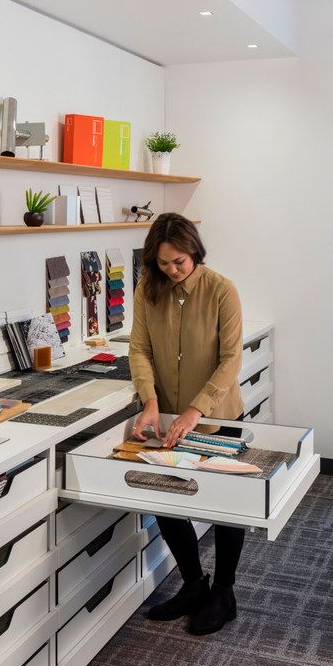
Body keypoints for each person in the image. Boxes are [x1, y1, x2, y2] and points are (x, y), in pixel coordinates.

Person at [129, 213, 244, 635]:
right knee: (167, 500)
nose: (173, 271)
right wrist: (150, 400)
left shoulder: (221, 291)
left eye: (179, 261)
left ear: (193, 250)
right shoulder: (147, 290)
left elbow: (231, 359)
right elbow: (139, 349)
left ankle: (225, 592)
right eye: (164, 264)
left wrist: (198, 409)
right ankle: (194, 584)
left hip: (218, 418)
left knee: (228, 506)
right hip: (168, 417)